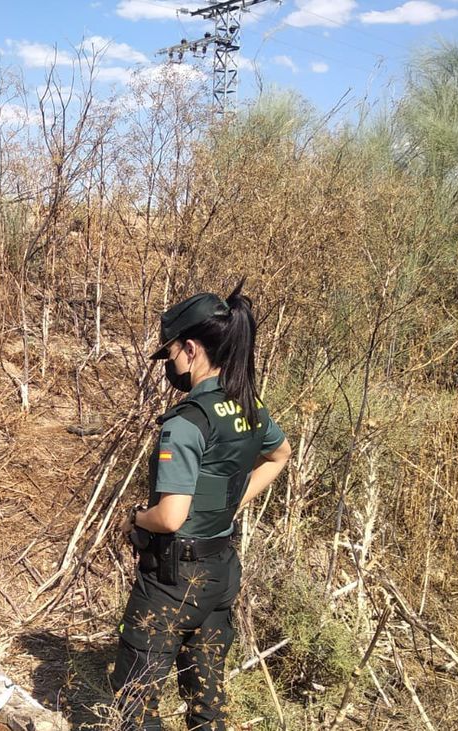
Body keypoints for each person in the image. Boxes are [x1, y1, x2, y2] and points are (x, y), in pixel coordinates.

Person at [109, 283, 292, 731]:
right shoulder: (249, 407)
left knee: (134, 702)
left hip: (175, 580)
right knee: (206, 698)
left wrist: (134, 517)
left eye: (170, 354)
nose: (169, 365)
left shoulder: (188, 421)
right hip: (221, 572)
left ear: (190, 348)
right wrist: (230, 504)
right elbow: (280, 454)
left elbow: (170, 517)